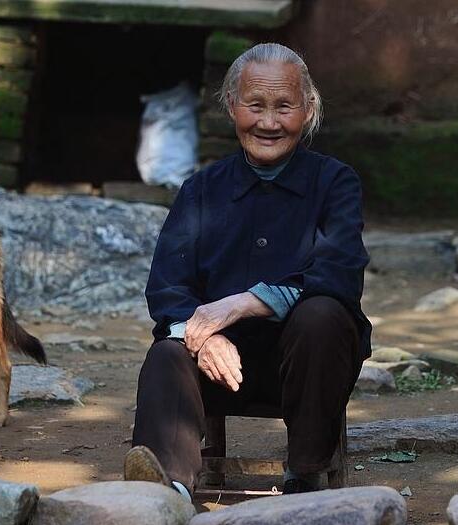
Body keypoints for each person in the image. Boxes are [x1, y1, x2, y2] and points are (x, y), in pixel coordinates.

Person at [123, 43, 371, 499]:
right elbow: (167, 287)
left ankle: (304, 476)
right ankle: (165, 491)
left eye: (284, 106)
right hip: (215, 369)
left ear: (308, 108)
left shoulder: (334, 182)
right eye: (255, 105)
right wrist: (205, 334)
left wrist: (246, 302)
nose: (269, 122)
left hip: (307, 368)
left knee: (324, 315)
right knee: (167, 351)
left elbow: (339, 272)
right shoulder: (201, 189)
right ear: (232, 106)